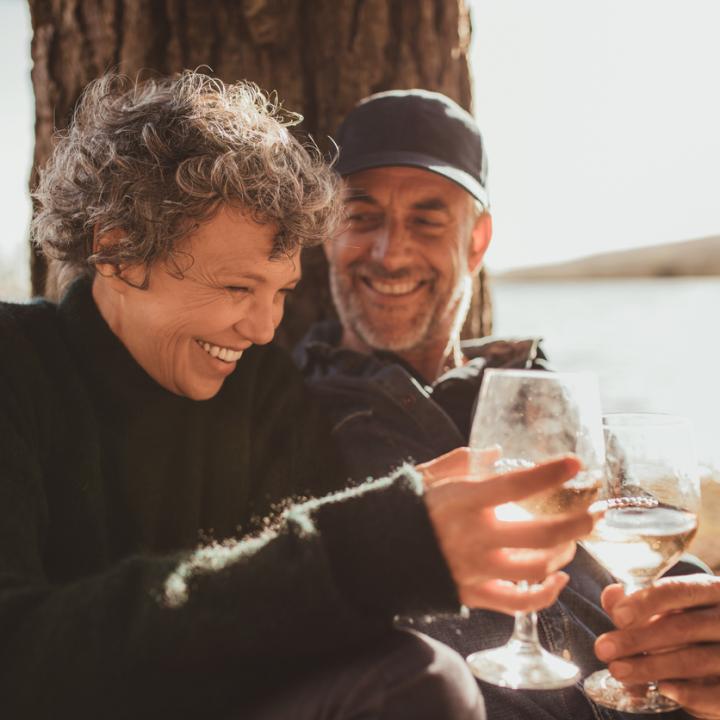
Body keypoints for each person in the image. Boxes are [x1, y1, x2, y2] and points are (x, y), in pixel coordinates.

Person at [0, 72, 595, 720]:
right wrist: (361, 548)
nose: (262, 329)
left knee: (422, 681)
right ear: (116, 249)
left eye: (280, 292)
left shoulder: (266, 392)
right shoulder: (16, 366)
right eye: (236, 289)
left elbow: (300, 637)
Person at [296, 88, 720, 720]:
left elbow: (651, 558)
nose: (390, 252)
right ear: (329, 232)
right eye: (362, 216)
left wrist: (700, 631)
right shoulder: (280, 412)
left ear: (476, 241)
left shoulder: (545, 398)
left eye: (427, 219)